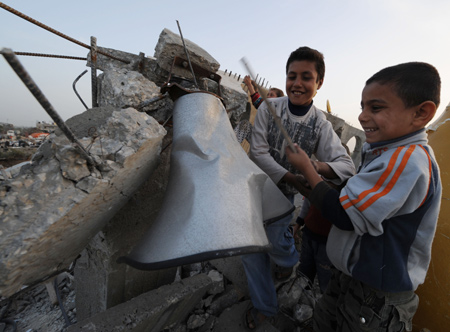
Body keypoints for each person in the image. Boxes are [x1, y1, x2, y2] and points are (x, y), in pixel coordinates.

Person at [285, 61, 442, 331]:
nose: (362, 116)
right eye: (362, 106)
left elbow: (345, 215)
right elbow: (354, 196)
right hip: (352, 281)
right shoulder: (387, 153)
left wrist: (309, 170)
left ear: (421, 113)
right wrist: (320, 176)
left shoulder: (406, 160)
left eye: (376, 107)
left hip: (376, 299)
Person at [241, 46, 355, 329]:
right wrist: (292, 177)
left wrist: (314, 167)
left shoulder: (320, 125)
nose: (297, 83)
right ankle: (265, 307)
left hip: (282, 203)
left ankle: (287, 260)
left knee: (278, 246)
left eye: (307, 77)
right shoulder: (270, 108)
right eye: (292, 76)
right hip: (254, 190)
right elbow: (258, 153)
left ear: (319, 83)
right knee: (250, 248)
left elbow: (346, 166)